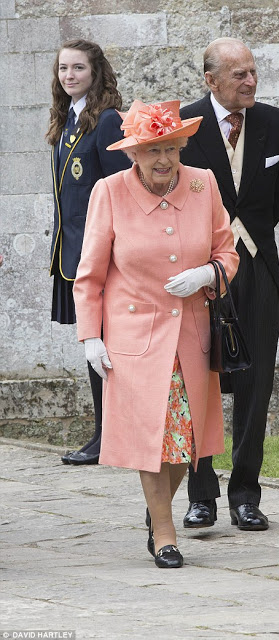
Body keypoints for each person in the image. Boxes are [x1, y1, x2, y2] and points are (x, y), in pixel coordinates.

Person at [73, 100, 239, 567]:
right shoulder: (109, 192)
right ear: (133, 155)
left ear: (182, 145)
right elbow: (90, 274)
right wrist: (91, 335)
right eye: (152, 151)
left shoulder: (203, 184)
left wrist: (207, 275)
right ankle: (165, 533)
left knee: (183, 440)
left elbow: (228, 253)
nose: (164, 159)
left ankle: (156, 511)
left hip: (191, 333)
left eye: (170, 148)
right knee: (154, 435)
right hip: (134, 337)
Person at [179, 37, 279, 531]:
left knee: (256, 384)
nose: (251, 81)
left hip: (258, 270)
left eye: (253, 72)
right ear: (211, 80)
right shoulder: (185, 124)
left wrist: (246, 242)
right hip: (203, 274)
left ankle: (246, 493)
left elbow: (278, 198)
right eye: (238, 75)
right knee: (198, 383)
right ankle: (200, 494)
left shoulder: (275, 123)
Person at [47, 39, 131, 465]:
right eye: (63, 69)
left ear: (96, 73)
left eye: (78, 68)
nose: (69, 76)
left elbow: (122, 191)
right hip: (73, 253)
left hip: (102, 256)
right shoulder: (67, 121)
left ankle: (107, 436)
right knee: (94, 346)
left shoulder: (109, 121)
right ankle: (106, 432)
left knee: (104, 346)